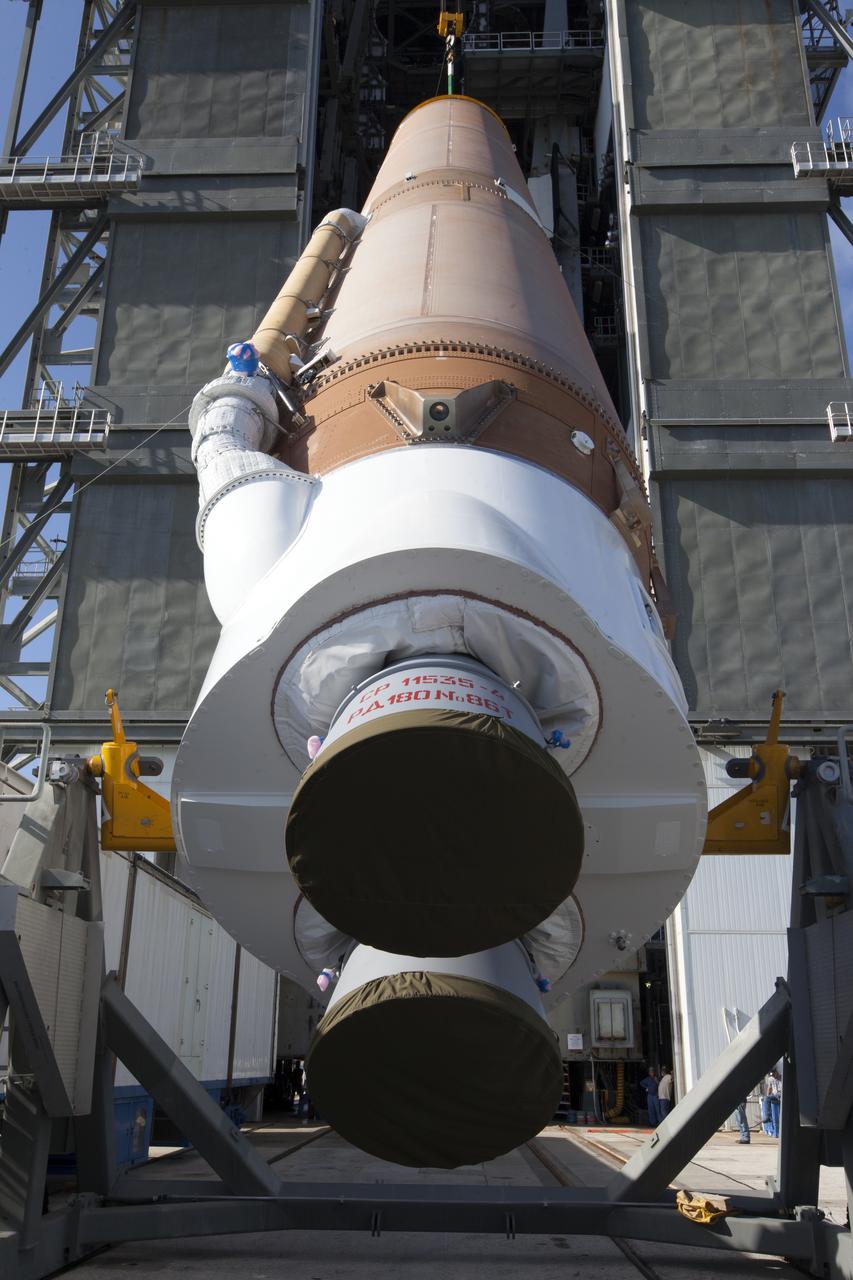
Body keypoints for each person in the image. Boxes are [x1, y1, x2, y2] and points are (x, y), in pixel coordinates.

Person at [766, 1068, 782, 1138]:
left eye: (774, 1075)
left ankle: (776, 1132)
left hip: (781, 1094)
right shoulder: (770, 1079)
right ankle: (767, 1116)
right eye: (772, 1076)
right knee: (766, 1099)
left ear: (776, 1072)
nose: (774, 1077)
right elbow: (769, 1088)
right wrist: (767, 1095)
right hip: (774, 1095)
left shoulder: (782, 1077)